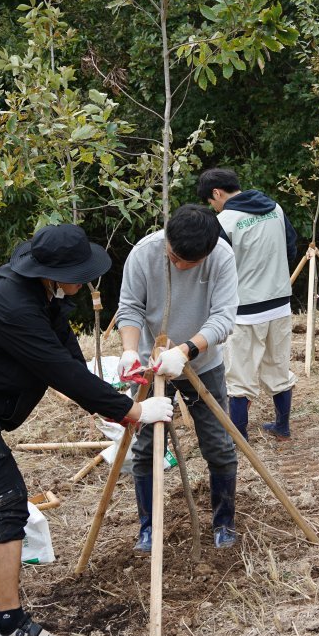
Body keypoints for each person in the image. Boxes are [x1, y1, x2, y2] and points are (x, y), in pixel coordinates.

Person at [0, 224, 173, 636]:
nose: (86, 278)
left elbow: (65, 350)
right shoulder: (13, 305)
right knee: (5, 504)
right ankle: (10, 626)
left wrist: (107, 393)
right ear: (56, 271)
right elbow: (57, 370)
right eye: (81, 272)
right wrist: (132, 409)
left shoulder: (39, 291)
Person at [117, 205, 240, 550]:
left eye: (190, 263)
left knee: (218, 443)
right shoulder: (144, 253)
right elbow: (130, 307)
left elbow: (224, 317)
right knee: (145, 448)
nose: (179, 265)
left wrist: (186, 350)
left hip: (202, 363)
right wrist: (130, 351)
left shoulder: (221, 257)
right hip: (151, 365)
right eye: (173, 257)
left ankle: (224, 523)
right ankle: (148, 528)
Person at [197, 167, 298, 441]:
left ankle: (238, 437)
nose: (213, 206)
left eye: (211, 201)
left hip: (244, 311)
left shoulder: (225, 221)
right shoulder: (275, 208)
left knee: (238, 379)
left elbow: (215, 268)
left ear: (217, 193)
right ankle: (282, 427)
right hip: (279, 303)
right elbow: (291, 247)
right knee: (278, 368)